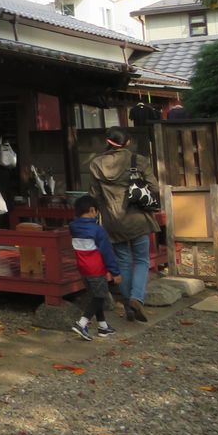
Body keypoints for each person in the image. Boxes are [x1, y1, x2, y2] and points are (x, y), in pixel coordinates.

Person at [88, 127, 160, 322]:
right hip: (137, 218)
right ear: (127, 142)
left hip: (112, 221)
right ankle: (137, 298)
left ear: (108, 142)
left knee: (124, 262)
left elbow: (94, 195)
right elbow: (154, 187)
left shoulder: (96, 164)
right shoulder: (139, 160)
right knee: (142, 260)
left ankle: (129, 306)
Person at [69, 195, 122, 340]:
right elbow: (107, 252)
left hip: (83, 268)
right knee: (100, 296)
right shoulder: (98, 230)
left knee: (96, 296)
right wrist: (115, 272)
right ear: (92, 210)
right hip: (96, 269)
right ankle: (82, 323)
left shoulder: (73, 227)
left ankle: (103, 327)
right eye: (96, 212)